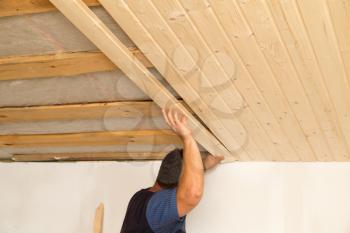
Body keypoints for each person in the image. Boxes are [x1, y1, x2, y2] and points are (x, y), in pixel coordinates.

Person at [120, 107, 224, 233]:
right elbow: (192, 193)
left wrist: (203, 166)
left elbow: (184, 185)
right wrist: (187, 138)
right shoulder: (157, 208)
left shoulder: (139, 197)